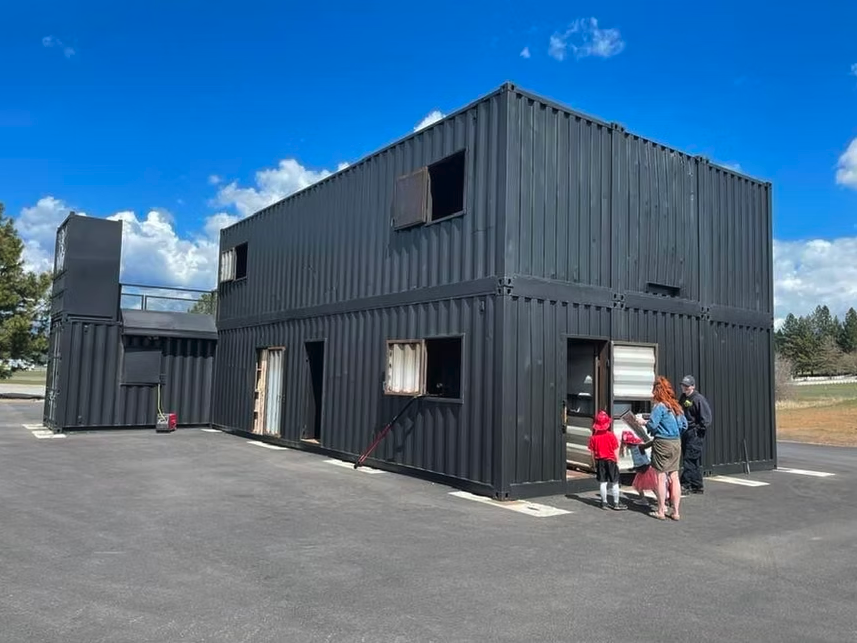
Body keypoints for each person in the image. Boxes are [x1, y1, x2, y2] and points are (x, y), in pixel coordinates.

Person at [638, 376, 687, 521]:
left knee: (661, 477)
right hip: (676, 442)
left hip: (662, 443)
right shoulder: (676, 406)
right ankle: (676, 512)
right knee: (674, 476)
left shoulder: (659, 406)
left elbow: (652, 425)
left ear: (657, 391)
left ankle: (660, 510)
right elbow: (685, 425)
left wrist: (643, 422)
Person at [679, 375, 713, 495]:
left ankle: (685, 485)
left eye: (687, 386)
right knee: (693, 460)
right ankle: (697, 485)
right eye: (683, 385)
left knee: (689, 459)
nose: (684, 388)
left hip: (695, 434)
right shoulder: (683, 398)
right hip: (685, 432)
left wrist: (698, 430)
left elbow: (707, 418)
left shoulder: (698, 399)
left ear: (693, 386)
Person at [589, 410, 625, 511]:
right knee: (614, 482)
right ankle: (616, 503)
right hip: (611, 460)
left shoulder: (593, 438)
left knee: (602, 482)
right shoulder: (611, 435)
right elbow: (615, 449)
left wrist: (593, 463)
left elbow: (592, 452)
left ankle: (604, 502)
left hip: (600, 461)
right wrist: (616, 460)